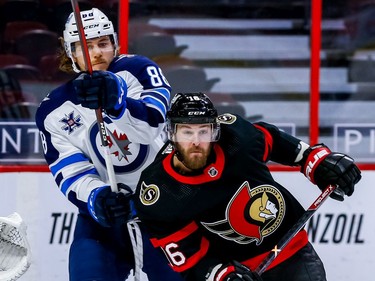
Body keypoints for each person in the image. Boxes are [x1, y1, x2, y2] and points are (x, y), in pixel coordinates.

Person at [133, 92, 362, 281]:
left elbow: (274, 141)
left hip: (290, 253)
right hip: (237, 272)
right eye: (187, 132)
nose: (196, 141)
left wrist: (315, 161)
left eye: (204, 131)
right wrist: (220, 275)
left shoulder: (236, 139)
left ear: (215, 131)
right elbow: (189, 257)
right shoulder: (158, 192)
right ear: (171, 134)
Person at [35, 7, 183, 281]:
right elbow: (71, 171)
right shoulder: (53, 109)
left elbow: (151, 128)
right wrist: (97, 197)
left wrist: (118, 103)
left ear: (115, 43)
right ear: (70, 51)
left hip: (164, 211)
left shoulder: (140, 70)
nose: (96, 53)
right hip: (103, 223)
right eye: (85, 46)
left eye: (103, 43)